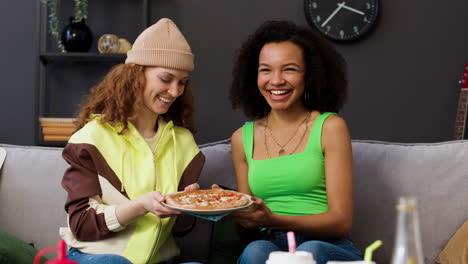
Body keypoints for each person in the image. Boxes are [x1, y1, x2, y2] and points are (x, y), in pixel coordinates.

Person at [59, 18, 204, 264]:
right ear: (136, 74)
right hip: (94, 257)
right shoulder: (90, 139)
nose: (175, 91)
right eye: (166, 79)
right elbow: (81, 224)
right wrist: (140, 206)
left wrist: (191, 205)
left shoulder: (185, 144)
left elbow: (181, 230)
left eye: (182, 82)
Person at [229, 20, 363, 264]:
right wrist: (232, 210)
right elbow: (247, 228)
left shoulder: (330, 127)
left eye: (289, 69)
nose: (276, 80)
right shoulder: (241, 138)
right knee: (255, 250)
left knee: (311, 250)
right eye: (266, 70)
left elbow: (341, 222)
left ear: (309, 75)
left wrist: (274, 219)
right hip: (269, 244)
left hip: (327, 245)